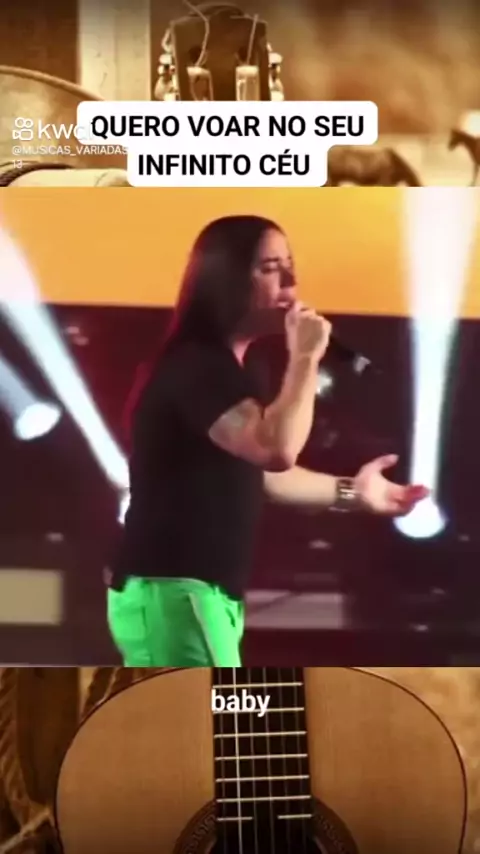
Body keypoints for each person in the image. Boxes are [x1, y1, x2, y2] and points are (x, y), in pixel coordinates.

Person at [106, 214, 428, 667]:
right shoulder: (198, 365)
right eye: (271, 267)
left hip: (194, 594)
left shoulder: (228, 369)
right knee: (206, 711)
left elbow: (267, 476)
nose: (291, 282)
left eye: (290, 266)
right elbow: (276, 450)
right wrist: (305, 357)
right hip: (176, 589)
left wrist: (355, 492)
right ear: (227, 279)